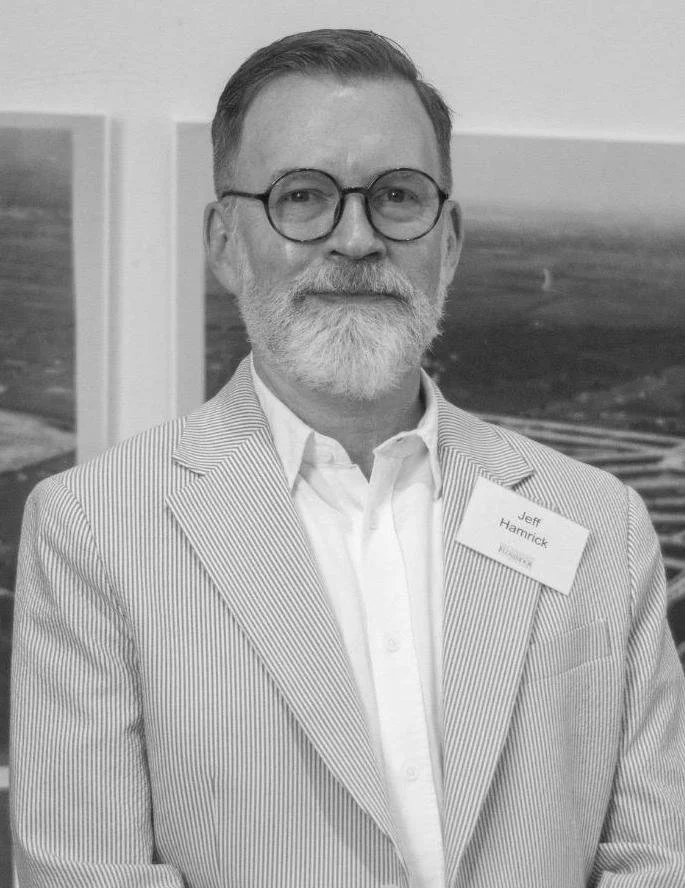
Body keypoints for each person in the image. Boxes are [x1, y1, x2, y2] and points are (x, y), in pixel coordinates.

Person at [10, 28, 685, 888]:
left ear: (448, 239)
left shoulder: (599, 524)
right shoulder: (94, 531)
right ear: (224, 241)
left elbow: (659, 863)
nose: (357, 239)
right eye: (302, 196)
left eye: (397, 196)